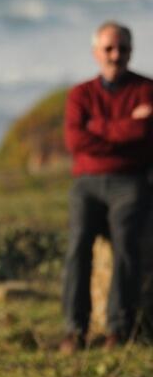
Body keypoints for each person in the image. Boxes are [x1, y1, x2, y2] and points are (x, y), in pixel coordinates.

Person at [61, 21, 150, 353]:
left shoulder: (146, 90)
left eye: (122, 48)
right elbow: (75, 140)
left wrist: (98, 130)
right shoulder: (80, 94)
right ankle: (74, 330)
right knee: (77, 246)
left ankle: (119, 329)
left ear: (131, 51)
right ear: (96, 53)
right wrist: (128, 126)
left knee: (127, 245)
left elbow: (145, 138)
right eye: (109, 49)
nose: (116, 55)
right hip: (87, 183)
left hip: (131, 181)